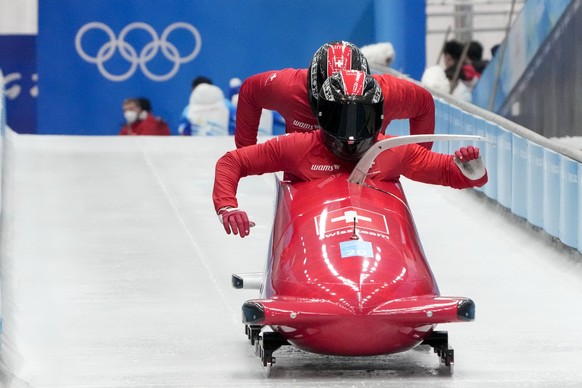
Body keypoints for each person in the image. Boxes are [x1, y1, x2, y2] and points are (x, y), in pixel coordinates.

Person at [213, 70, 488, 237]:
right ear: (322, 116)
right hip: (313, 237)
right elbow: (233, 162)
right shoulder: (297, 147)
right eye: (342, 119)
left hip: (377, 236)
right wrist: (227, 206)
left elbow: (447, 171)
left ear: (378, 117)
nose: (351, 134)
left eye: (361, 119)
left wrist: (472, 171)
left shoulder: (393, 150)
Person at [234, 40, 435, 150]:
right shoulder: (288, 88)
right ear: (312, 89)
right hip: (306, 175)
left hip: (366, 172)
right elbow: (250, 91)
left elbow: (424, 104)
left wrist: (417, 158)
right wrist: (246, 151)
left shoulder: (388, 93)